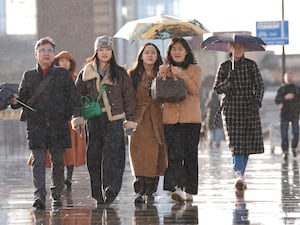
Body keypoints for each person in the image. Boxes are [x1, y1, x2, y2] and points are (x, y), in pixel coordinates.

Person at [10, 37, 79, 209]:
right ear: (36, 54)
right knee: (38, 161)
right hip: (36, 125)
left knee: (58, 161)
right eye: (42, 50)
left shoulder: (62, 74)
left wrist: (66, 115)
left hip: (58, 125)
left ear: (54, 54)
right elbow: (21, 100)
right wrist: (13, 101)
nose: (46, 54)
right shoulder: (29, 75)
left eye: (49, 51)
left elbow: (73, 97)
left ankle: (56, 193)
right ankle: (39, 195)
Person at [70, 35, 137, 206]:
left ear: (112, 51)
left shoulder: (120, 73)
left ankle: (111, 188)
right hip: (94, 119)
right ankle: (97, 192)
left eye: (107, 49)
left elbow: (129, 97)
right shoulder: (86, 72)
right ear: (96, 51)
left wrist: (130, 120)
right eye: (101, 50)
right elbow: (76, 97)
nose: (104, 53)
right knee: (94, 156)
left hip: (115, 119)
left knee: (114, 155)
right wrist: (77, 118)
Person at [213, 42, 264, 193]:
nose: (238, 49)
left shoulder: (251, 65)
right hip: (231, 109)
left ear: (245, 49)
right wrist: (229, 81)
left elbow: (260, 85)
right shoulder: (224, 66)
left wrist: (257, 102)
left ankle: (241, 175)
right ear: (230, 48)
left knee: (247, 145)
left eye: (241, 47)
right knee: (236, 144)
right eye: (235, 47)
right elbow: (217, 89)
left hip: (249, 107)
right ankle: (239, 175)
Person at [161, 37, 202, 202]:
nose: (177, 52)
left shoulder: (195, 69)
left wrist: (181, 74)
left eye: (180, 48)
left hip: (191, 119)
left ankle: (190, 190)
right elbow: (160, 94)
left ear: (186, 51)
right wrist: (163, 73)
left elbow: (194, 89)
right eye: (174, 49)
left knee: (190, 155)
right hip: (170, 119)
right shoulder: (165, 69)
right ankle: (176, 187)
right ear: (169, 52)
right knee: (174, 155)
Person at [127, 43, 167, 204]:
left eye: (153, 53)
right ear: (141, 56)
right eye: (147, 52)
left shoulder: (163, 72)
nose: (150, 55)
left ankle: (150, 189)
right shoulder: (132, 75)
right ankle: (139, 187)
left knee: (155, 154)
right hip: (139, 118)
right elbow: (128, 98)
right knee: (138, 153)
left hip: (158, 118)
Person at [53, 51, 86, 190]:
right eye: (62, 60)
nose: (65, 63)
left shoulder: (76, 78)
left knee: (70, 150)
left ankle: (69, 178)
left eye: (67, 61)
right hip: (56, 119)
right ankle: (58, 179)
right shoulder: (52, 78)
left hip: (71, 119)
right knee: (58, 151)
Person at [274, 71, 300, 160]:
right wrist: (285, 98)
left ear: (293, 78)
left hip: (295, 114)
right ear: (284, 78)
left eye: (290, 77)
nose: (289, 78)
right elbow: (276, 100)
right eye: (287, 77)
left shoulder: (297, 88)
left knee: (296, 133)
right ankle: (285, 151)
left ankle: (293, 148)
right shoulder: (281, 89)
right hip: (284, 114)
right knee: (284, 134)